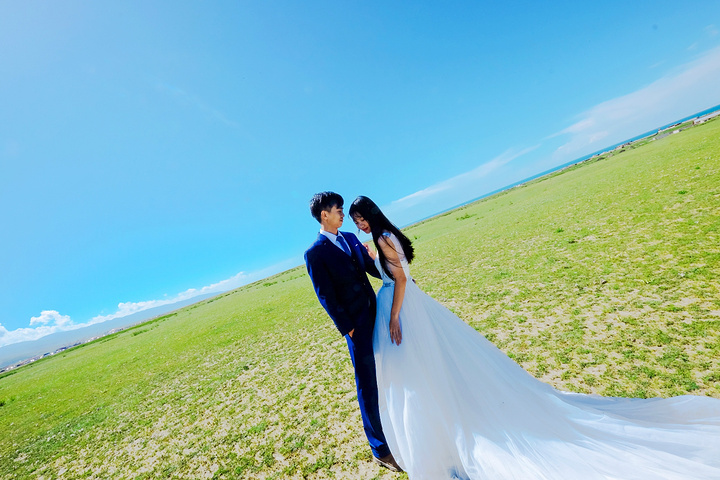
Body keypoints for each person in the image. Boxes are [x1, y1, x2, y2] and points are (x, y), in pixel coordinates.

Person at [349, 195, 720, 480]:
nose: (360, 224)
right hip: (414, 303)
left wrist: (395, 315)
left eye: (361, 218)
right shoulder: (387, 236)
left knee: (418, 367)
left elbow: (401, 279)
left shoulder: (383, 239)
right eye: (355, 221)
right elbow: (407, 275)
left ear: (372, 215)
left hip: (402, 307)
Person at [304, 192, 402, 472]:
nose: (342, 214)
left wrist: (397, 276)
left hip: (377, 314)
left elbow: (371, 267)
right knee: (367, 384)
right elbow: (326, 296)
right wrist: (347, 328)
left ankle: (397, 428)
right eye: (338, 210)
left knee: (389, 371)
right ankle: (380, 449)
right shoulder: (314, 253)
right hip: (355, 327)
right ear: (324, 214)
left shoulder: (349, 238)